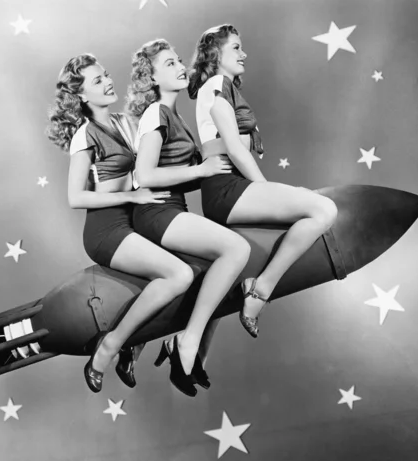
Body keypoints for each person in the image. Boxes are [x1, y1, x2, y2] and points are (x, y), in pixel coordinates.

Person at [46, 53, 196, 393]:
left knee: (194, 269)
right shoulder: (86, 134)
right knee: (179, 275)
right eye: (97, 81)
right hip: (107, 229)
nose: (108, 82)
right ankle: (110, 347)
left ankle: (135, 345)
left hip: (137, 221)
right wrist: (131, 197)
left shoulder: (127, 121)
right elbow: (76, 198)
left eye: (107, 75)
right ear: (82, 96)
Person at [188, 24, 338, 337]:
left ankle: (248, 283)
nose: (244, 54)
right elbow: (234, 149)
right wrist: (263, 187)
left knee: (292, 224)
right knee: (324, 211)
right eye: (236, 48)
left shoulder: (223, 86)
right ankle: (260, 290)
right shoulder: (217, 84)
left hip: (229, 186)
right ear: (216, 54)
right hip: (227, 186)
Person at [126, 39, 252, 397]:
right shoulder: (155, 113)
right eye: (168, 64)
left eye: (179, 60)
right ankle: (187, 339)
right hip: (155, 212)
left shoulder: (176, 116)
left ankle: (189, 352)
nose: (181, 66)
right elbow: (145, 176)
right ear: (150, 78)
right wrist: (203, 167)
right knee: (234, 250)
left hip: (172, 211)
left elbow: (193, 173)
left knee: (224, 273)